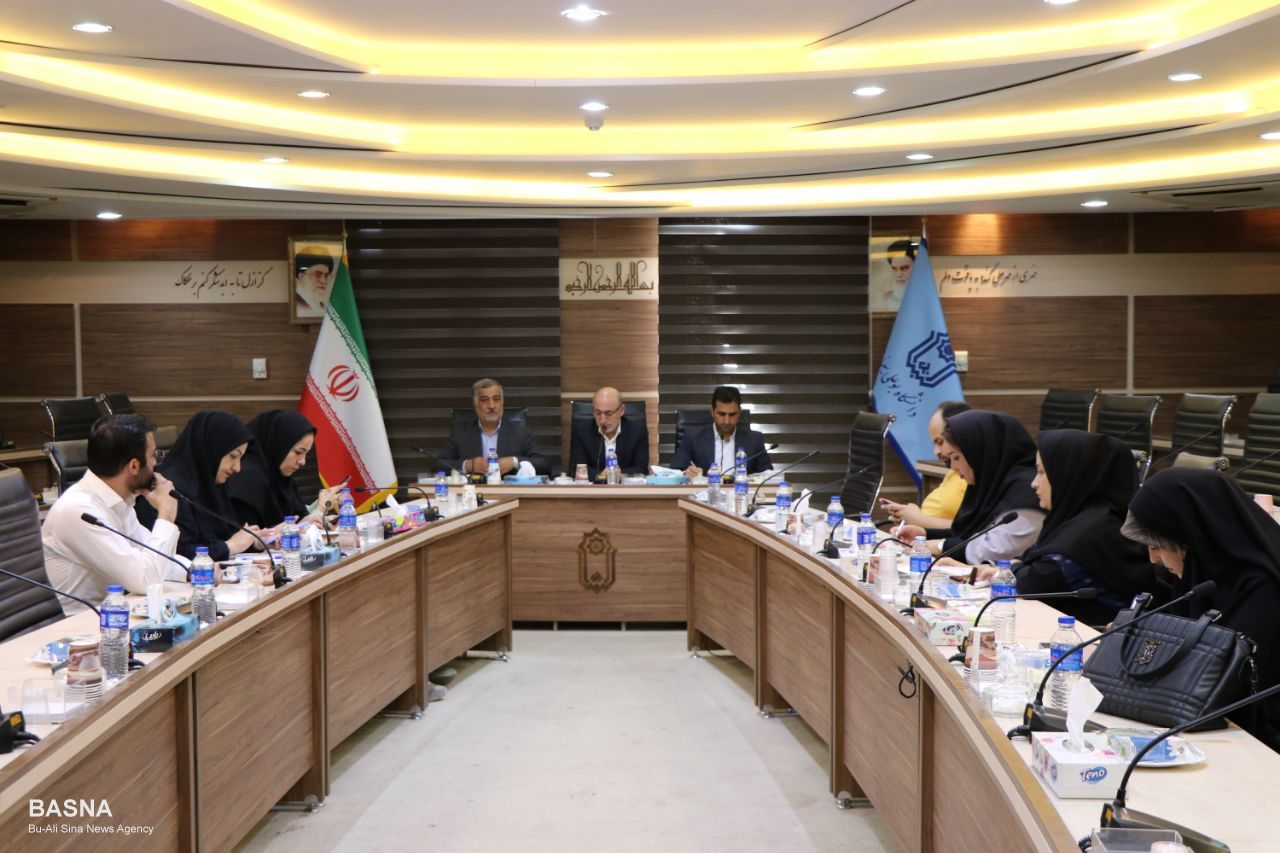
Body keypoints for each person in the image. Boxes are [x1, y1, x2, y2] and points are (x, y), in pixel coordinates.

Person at [1121, 468, 1280, 751]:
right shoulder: (1203, 579)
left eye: (1158, 545)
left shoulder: (1264, 590)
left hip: (1256, 742)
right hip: (1207, 728)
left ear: (1192, 536)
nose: (1153, 559)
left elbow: (1229, 680)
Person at [972, 430, 1157, 626]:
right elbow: (1033, 566)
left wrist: (1008, 570)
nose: (1034, 483)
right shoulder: (1078, 518)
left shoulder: (1093, 530)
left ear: (1070, 475)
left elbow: (1033, 582)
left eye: (1042, 473)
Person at [43, 414, 188, 614]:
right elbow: (145, 579)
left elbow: (152, 555)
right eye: (153, 455)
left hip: (115, 614)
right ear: (134, 466)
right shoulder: (79, 511)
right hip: (83, 624)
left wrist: (194, 570)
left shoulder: (118, 501)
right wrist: (166, 513)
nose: (156, 463)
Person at [897, 410, 1044, 563]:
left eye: (956, 457)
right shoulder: (992, 482)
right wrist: (925, 534)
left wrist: (940, 546)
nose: (952, 467)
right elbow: (971, 532)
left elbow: (996, 549)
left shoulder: (1027, 490)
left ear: (981, 453)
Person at [139, 410, 260, 562]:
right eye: (233, 456)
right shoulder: (167, 489)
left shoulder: (211, 485)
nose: (237, 468)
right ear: (211, 449)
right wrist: (231, 546)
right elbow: (177, 555)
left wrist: (253, 542)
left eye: (241, 458)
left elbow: (221, 540)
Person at [227, 409, 343, 531]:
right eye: (298, 452)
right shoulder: (246, 481)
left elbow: (297, 519)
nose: (302, 461)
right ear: (278, 445)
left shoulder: (280, 478)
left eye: (306, 453)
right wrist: (318, 511)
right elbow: (246, 537)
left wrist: (316, 520)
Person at [435, 378, 550, 478]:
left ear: (502, 403)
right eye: (484, 400)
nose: (491, 406)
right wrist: (467, 465)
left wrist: (515, 462)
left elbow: (544, 466)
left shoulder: (520, 432)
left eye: (496, 399)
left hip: (509, 493)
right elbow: (437, 465)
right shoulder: (460, 433)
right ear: (475, 405)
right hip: (472, 492)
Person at [881, 400, 970, 528]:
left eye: (940, 442)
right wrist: (909, 517)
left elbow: (973, 530)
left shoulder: (975, 475)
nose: (936, 452)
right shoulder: (954, 469)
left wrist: (919, 520)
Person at [671, 385, 773, 478]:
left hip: (740, 490)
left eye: (732, 415)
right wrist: (685, 473)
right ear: (712, 411)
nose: (727, 421)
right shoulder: (693, 436)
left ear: (739, 412)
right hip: (705, 491)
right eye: (721, 414)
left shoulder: (754, 439)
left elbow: (767, 475)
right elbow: (674, 470)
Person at [570, 386, 649, 480]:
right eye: (598, 413)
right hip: (594, 487)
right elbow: (577, 469)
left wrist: (618, 474)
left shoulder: (637, 431)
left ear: (621, 410)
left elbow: (641, 469)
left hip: (625, 487)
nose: (602, 420)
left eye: (608, 413)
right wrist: (601, 476)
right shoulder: (582, 431)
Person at [293, 245, 335, 318]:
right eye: (317, 275)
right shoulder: (296, 306)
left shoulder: (324, 308)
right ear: (301, 277)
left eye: (326, 276)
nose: (323, 281)